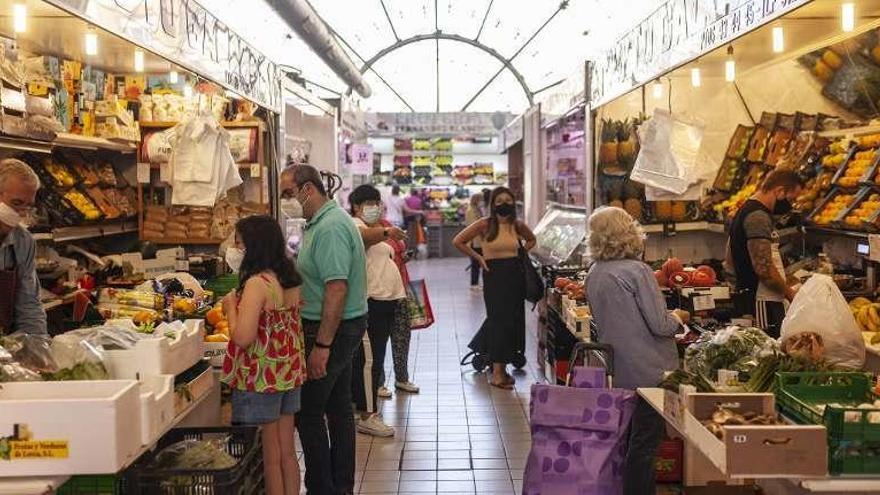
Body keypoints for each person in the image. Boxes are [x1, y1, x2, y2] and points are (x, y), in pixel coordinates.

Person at [584, 206, 689, 495]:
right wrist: (680, 316)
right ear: (627, 232)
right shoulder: (638, 271)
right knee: (645, 444)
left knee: (630, 440)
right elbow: (660, 325)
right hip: (651, 370)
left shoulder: (594, 273)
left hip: (619, 369)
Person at [280, 165, 368, 495]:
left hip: (334, 328)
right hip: (339, 325)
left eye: (288, 193)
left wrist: (322, 346)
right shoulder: (318, 223)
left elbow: (337, 289)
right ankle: (340, 485)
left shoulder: (330, 227)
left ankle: (322, 486)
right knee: (339, 407)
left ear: (308, 189)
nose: (286, 200)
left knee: (309, 409)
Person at [221, 215, 304, 495]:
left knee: (269, 457)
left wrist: (231, 308)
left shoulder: (258, 284)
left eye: (240, 244)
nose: (237, 249)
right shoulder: (289, 278)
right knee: (287, 452)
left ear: (254, 247)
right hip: (286, 374)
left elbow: (243, 338)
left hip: (261, 378)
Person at [453, 187, 536, 389]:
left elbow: (532, 239)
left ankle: (502, 367)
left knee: (512, 322)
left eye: (508, 200)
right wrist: (479, 258)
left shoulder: (517, 225)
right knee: (499, 321)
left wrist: (521, 254)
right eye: (499, 201)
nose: (504, 204)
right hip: (494, 276)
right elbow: (458, 241)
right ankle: (498, 373)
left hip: (514, 275)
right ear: (492, 204)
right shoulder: (484, 224)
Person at [347, 184, 409, 437]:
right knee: (369, 361)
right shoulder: (354, 226)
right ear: (356, 207)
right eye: (369, 204)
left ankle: (362, 406)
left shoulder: (374, 229)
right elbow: (364, 238)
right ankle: (367, 413)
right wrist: (387, 231)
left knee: (374, 359)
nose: (375, 208)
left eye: (377, 203)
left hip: (386, 302)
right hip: (371, 301)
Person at [726, 169, 803, 337]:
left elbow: (730, 256)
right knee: (768, 352)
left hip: (760, 298)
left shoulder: (747, 209)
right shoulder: (758, 217)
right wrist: (790, 294)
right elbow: (765, 270)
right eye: (791, 199)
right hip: (760, 302)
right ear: (780, 191)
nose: (791, 204)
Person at [0, 159, 45, 335]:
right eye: (16, 203)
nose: (21, 213)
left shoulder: (23, 242)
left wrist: (39, 349)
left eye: (28, 206)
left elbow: (29, 306)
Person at [464, 193, 485, 291]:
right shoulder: (471, 211)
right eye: (481, 199)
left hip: (479, 241)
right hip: (474, 241)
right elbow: (474, 226)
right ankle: (474, 284)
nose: (482, 201)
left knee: (477, 263)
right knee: (475, 263)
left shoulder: (476, 210)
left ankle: (476, 283)